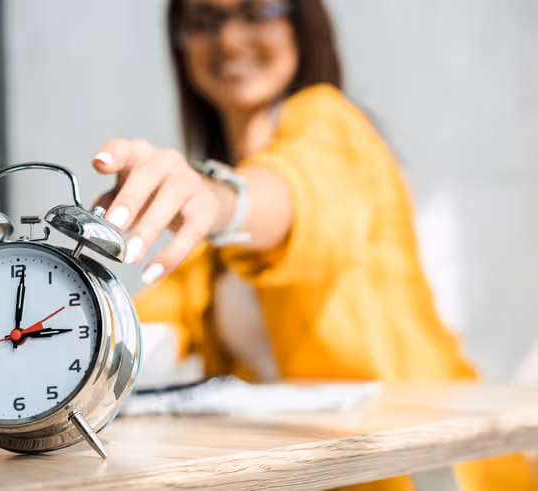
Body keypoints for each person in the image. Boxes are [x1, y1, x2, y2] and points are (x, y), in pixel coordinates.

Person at [88, 0, 538, 490]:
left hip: (432, 471)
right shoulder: (211, 231)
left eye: (258, 11)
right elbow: (146, 318)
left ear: (304, 23)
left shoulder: (331, 124)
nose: (230, 39)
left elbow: (298, 194)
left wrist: (218, 202)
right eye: (204, 21)